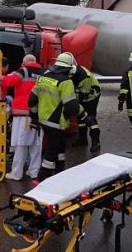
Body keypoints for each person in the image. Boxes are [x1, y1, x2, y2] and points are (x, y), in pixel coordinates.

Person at [28, 52, 91, 181]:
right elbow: (72, 107)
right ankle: (42, 178)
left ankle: (59, 171)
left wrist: (34, 118)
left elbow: (32, 101)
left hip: (43, 120)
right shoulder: (66, 82)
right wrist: (83, 115)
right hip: (56, 122)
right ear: (69, 68)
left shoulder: (42, 78)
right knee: (52, 149)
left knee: (60, 145)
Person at [0, 54, 44, 181]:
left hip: (23, 114)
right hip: (39, 114)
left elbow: (8, 81)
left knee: (20, 143)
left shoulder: (23, 71)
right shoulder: (43, 73)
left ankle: (16, 173)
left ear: (24, 62)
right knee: (36, 145)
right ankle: (34, 172)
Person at [70, 57, 102, 152]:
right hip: (82, 96)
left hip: (91, 97)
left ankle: (96, 143)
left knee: (90, 118)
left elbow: (82, 95)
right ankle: (83, 139)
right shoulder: (73, 71)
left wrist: (75, 102)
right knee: (80, 118)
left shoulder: (84, 77)